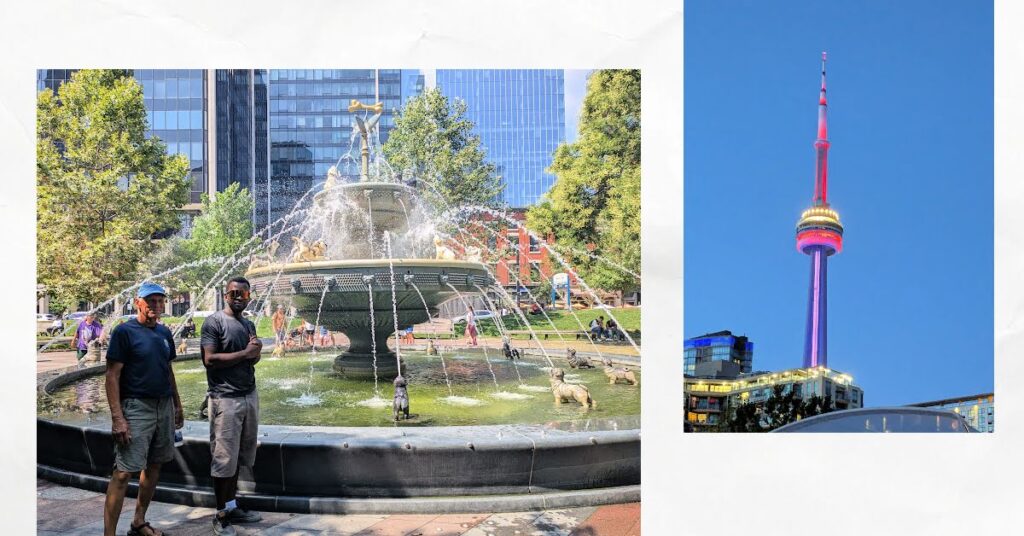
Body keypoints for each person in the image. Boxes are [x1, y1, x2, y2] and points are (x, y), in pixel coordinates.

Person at [102, 282, 184, 536]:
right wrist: (118, 418)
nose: (156, 306)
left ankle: (139, 521)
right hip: (136, 407)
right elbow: (112, 376)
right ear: (138, 302)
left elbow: (167, 370)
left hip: (163, 406)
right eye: (151, 301)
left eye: (160, 301)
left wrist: (177, 404)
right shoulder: (124, 332)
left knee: (155, 465)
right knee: (124, 472)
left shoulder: (164, 333)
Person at [201, 277, 264, 535]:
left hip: (249, 396)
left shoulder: (248, 323)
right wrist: (246, 354)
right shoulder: (214, 322)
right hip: (225, 399)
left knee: (238, 456)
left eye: (243, 294)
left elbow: (252, 358)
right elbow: (210, 359)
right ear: (225, 295)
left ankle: (232, 505)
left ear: (249, 297)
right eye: (233, 293)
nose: (238, 297)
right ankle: (221, 515)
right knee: (224, 459)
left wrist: (256, 352)